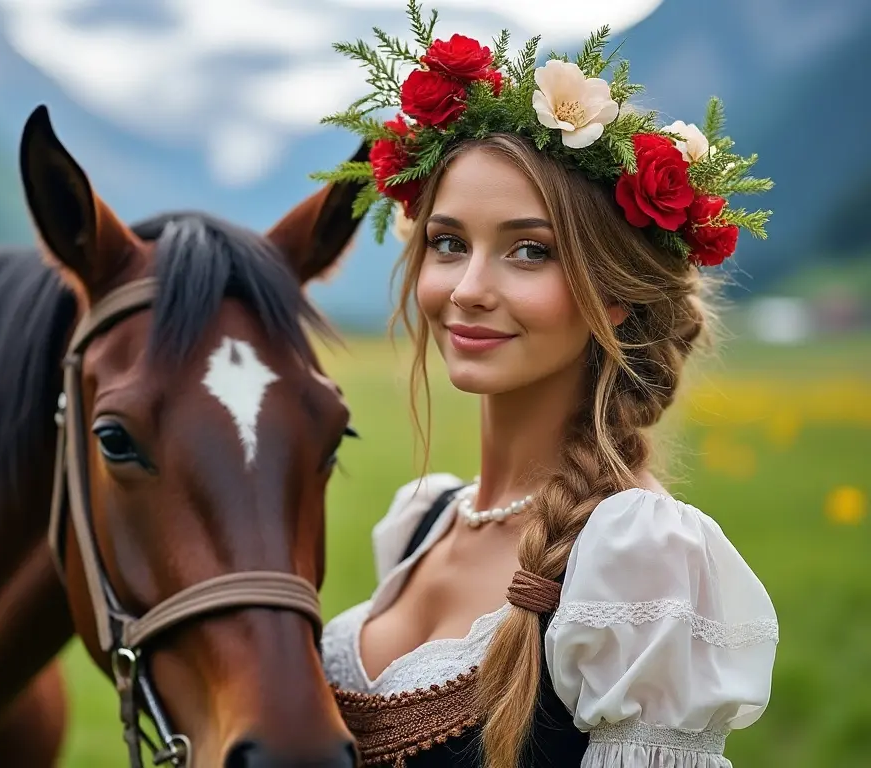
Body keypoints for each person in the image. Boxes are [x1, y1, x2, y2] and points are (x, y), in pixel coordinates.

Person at [316, 4, 779, 767]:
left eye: (529, 251)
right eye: (448, 243)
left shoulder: (637, 560)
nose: (467, 287)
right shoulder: (421, 521)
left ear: (615, 289)